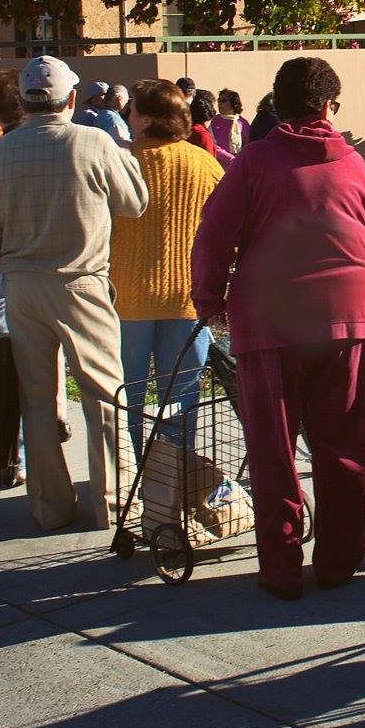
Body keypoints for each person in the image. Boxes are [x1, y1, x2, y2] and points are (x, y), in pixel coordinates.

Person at [191, 57, 365, 597]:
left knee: (273, 448)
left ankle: (280, 566)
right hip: (345, 315)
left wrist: (208, 298)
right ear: (327, 105)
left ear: (278, 103)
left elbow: (213, 234)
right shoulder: (355, 163)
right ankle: (340, 559)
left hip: (269, 316)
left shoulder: (253, 162)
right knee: (345, 443)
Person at [0, 56, 147, 532]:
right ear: (72, 98)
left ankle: (50, 505)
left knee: (37, 399)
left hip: (22, 285)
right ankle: (112, 501)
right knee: (104, 396)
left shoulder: (0, 153)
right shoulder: (92, 142)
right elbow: (134, 204)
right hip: (81, 282)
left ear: (24, 101)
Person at [110, 79, 224, 463]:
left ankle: (130, 475)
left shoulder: (119, 161)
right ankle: (172, 478)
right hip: (187, 296)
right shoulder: (204, 165)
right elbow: (225, 227)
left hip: (124, 297)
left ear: (143, 118)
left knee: (126, 396)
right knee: (180, 398)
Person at [209, 87, 251, 163]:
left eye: (223, 101)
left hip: (238, 165)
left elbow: (247, 145)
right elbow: (213, 145)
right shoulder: (214, 121)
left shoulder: (243, 123)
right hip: (219, 165)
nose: (219, 104)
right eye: (219, 101)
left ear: (233, 103)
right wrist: (231, 159)